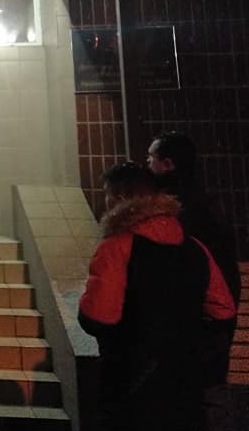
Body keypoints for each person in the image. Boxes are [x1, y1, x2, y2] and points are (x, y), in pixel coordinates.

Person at [79, 162, 236, 431]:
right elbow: (223, 311)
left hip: (131, 382)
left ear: (119, 198)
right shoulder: (194, 247)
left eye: (106, 194)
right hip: (185, 382)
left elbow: (99, 318)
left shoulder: (116, 247)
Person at [147, 131, 241, 430]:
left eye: (151, 158)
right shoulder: (207, 202)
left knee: (197, 393)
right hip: (217, 310)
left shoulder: (175, 210)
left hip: (198, 316)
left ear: (168, 164)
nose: (147, 163)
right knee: (210, 389)